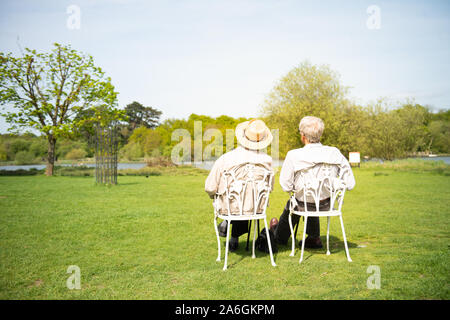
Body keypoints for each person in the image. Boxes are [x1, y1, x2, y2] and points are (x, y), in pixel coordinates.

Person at [272, 116, 356, 248]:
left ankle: (279, 237)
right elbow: (350, 184)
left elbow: (285, 185)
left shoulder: (294, 155)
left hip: (303, 203)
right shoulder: (334, 153)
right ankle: (313, 237)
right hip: (327, 204)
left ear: (303, 136)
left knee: (297, 201)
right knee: (310, 196)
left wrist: (298, 187)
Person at [205, 119, 274, 252]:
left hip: (229, 207)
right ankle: (233, 234)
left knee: (238, 198)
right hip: (256, 207)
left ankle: (228, 224)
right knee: (246, 198)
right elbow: (270, 186)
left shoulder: (226, 158)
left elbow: (210, 187)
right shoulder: (267, 160)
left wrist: (214, 196)